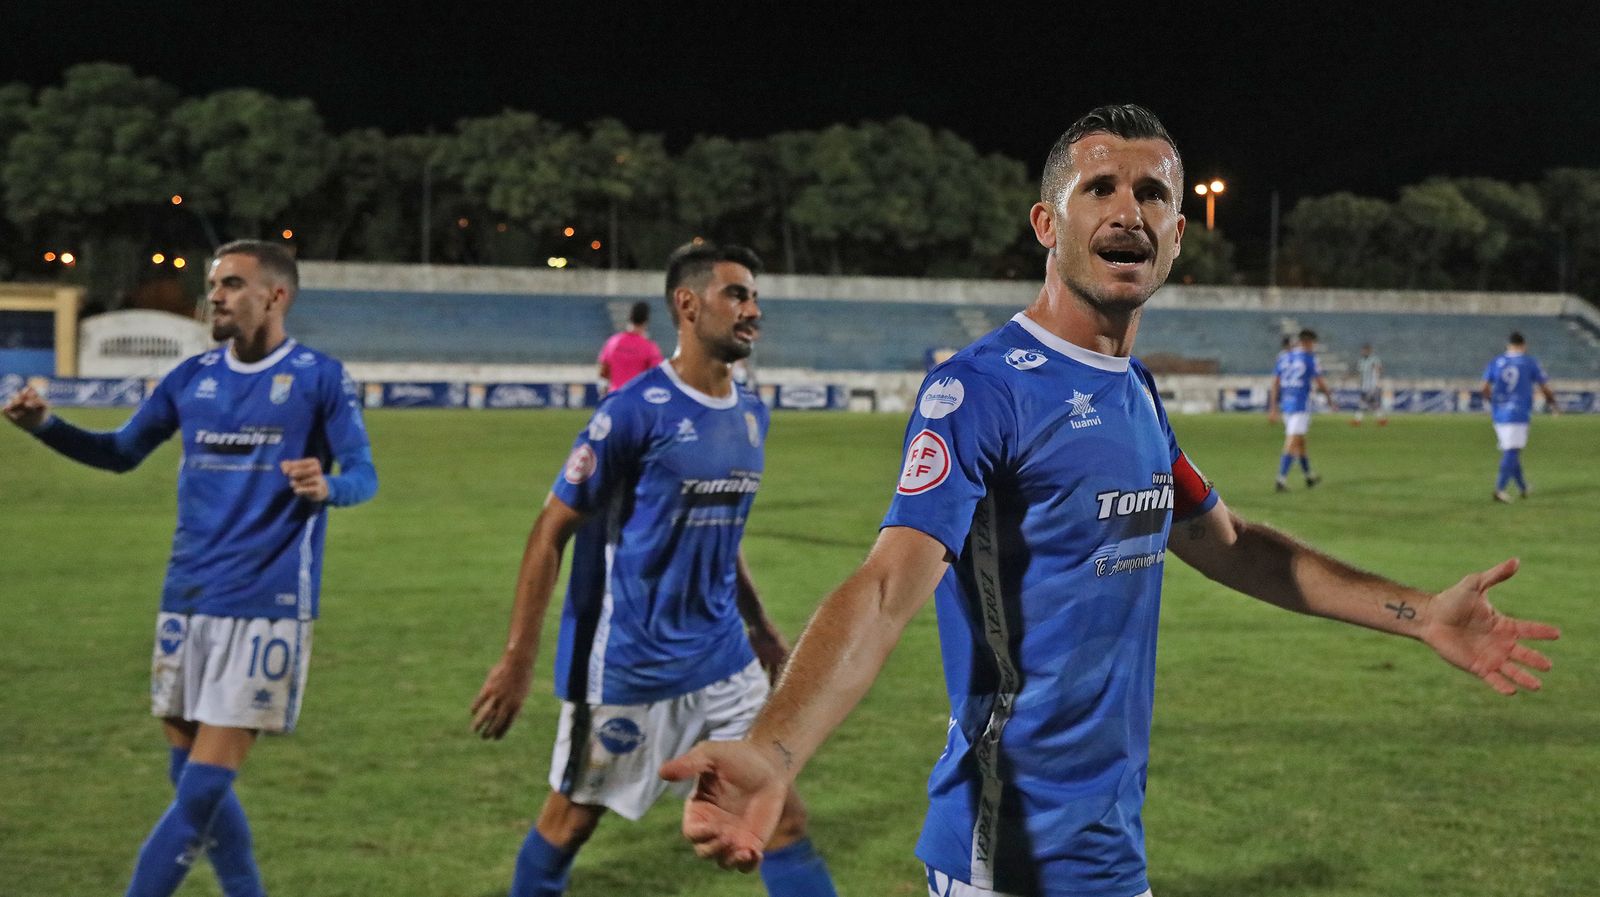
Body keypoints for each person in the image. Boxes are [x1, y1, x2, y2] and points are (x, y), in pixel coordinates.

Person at [660, 105, 1560, 897]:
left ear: (1176, 237)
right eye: (1101, 187)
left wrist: (1420, 615)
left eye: (1154, 195)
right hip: (1005, 855)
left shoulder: (1134, 394)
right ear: (1049, 223)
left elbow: (1232, 542)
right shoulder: (981, 390)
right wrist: (774, 748)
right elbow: (891, 585)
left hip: (1106, 850)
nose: (1130, 209)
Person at [2, 240, 377, 897]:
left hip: (266, 604)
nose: (217, 296)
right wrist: (45, 426)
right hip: (186, 598)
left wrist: (329, 487)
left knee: (203, 786)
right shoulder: (190, 379)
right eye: (214, 284)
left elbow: (364, 475)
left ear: (276, 295)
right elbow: (119, 452)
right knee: (190, 781)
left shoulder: (320, 377)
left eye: (232, 283)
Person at [470, 242, 837, 897]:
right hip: (632, 664)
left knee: (779, 814)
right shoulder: (631, 413)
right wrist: (518, 657)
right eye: (737, 294)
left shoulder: (752, 412)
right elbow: (550, 531)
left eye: (754, 296)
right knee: (570, 820)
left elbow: (725, 536)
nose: (753, 309)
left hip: (724, 658)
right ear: (687, 304)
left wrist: (759, 624)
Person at [1481, 331, 1559, 502]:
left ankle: (1523, 488)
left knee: (1512, 450)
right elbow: (1544, 386)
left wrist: (1493, 402)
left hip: (1499, 413)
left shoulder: (1496, 362)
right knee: (1511, 451)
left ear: (1508, 346)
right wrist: (1553, 403)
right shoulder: (1529, 362)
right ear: (1524, 345)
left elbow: (1485, 388)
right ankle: (1500, 489)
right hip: (1518, 412)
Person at [1267, 328, 1335, 491]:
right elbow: (1319, 382)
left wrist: (1273, 408)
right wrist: (1329, 399)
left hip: (1286, 404)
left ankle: (1308, 477)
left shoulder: (1283, 357)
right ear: (1308, 342)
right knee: (1292, 442)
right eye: (1313, 343)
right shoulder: (1309, 358)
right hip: (1300, 405)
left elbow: (1275, 383)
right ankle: (1281, 480)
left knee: (1300, 442)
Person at [598, 300, 665, 393]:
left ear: (629, 317)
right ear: (647, 320)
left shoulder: (613, 342)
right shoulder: (649, 347)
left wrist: (604, 395)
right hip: (638, 400)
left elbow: (603, 372)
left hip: (615, 397)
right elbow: (656, 375)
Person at [1352, 342, 1387, 426]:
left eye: (1365, 350)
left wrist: (1377, 380)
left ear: (1369, 351)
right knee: (1373, 404)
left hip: (1371, 385)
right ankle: (1382, 420)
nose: (1363, 352)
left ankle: (1357, 420)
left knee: (1362, 403)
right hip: (1364, 385)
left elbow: (1380, 369)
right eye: (1363, 350)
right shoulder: (1361, 361)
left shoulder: (1374, 360)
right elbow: (1360, 373)